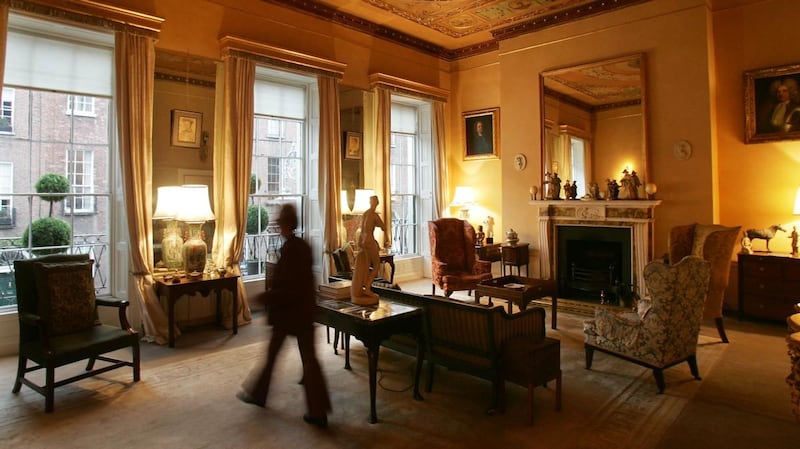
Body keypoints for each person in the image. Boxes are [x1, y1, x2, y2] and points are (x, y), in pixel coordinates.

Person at [237, 203, 331, 428]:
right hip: (302, 312)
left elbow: (290, 289)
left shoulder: (292, 249)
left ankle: (263, 396)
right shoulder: (301, 246)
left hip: (291, 314)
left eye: (280, 222)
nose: (278, 225)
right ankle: (317, 410)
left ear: (286, 223)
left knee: (287, 358)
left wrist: (265, 297)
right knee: (305, 359)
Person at [351, 195, 386, 304]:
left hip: (363, 241)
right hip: (370, 241)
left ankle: (363, 286)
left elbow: (361, 231)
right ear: (375, 203)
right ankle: (367, 287)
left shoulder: (365, 213)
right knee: (376, 265)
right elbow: (383, 227)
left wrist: (360, 243)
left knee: (366, 266)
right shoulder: (374, 215)